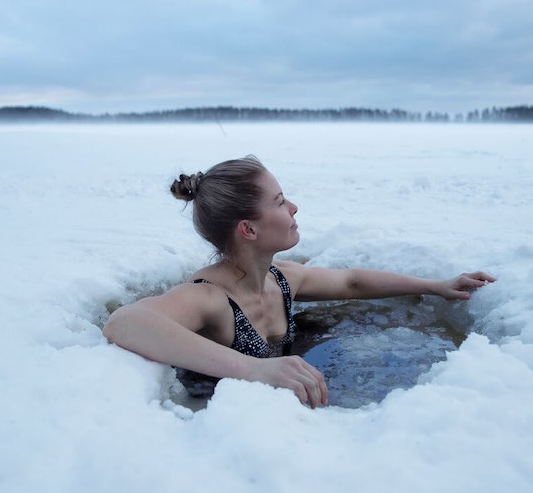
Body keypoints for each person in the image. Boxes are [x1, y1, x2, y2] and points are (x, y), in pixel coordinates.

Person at [102, 155, 495, 408]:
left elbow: (352, 283)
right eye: (279, 202)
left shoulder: (282, 277)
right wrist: (254, 370)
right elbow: (125, 323)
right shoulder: (209, 298)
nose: (293, 208)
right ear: (249, 230)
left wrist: (434, 285)